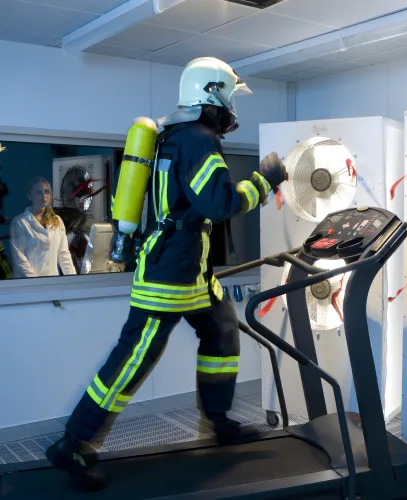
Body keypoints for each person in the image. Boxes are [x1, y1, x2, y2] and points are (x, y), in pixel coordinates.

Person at [46, 57, 287, 492]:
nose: (232, 105)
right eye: (229, 96)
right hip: (169, 273)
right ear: (212, 94)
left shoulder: (174, 136)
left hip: (190, 270)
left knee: (222, 330)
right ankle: (73, 442)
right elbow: (218, 203)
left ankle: (218, 421)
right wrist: (264, 181)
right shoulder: (197, 141)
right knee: (134, 359)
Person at [9, 177, 76, 278]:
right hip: (29, 286)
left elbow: (64, 255)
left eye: (46, 191)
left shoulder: (57, 221)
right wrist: (38, 284)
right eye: (38, 192)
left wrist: (73, 281)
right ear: (29, 196)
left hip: (53, 283)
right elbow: (20, 261)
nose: (44, 195)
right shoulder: (19, 223)